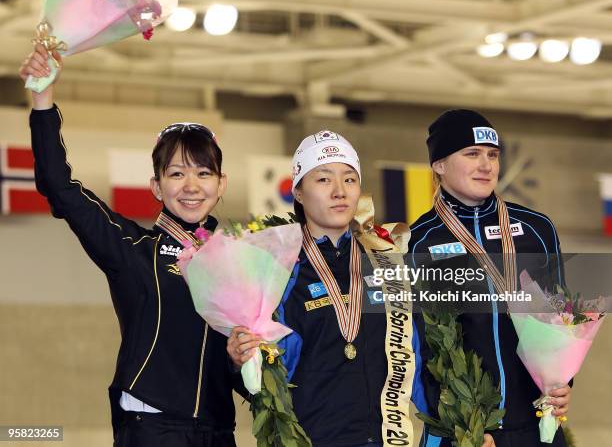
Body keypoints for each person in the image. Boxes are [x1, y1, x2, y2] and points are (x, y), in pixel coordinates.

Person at [19, 45, 243, 447]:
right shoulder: (132, 248)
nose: (191, 186)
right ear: (156, 186)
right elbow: (59, 187)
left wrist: (245, 361)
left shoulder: (241, 263)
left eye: (204, 173)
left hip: (219, 431)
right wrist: (42, 99)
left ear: (221, 184)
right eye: (176, 173)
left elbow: (239, 366)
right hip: (152, 427)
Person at [409, 109, 571, 447]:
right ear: (439, 164)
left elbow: (562, 319)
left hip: (538, 423)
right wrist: (459, 426)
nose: (486, 165)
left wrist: (565, 383)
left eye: (492, 155)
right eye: (472, 154)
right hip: (463, 431)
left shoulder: (537, 229)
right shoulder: (417, 242)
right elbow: (417, 349)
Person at [228, 131, 388, 447]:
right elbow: (261, 382)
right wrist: (238, 362)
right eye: (324, 180)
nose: (340, 192)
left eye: (350, 180)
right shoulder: (276, 268)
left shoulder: (384, 262)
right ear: (298, 192)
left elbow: (417, 356)